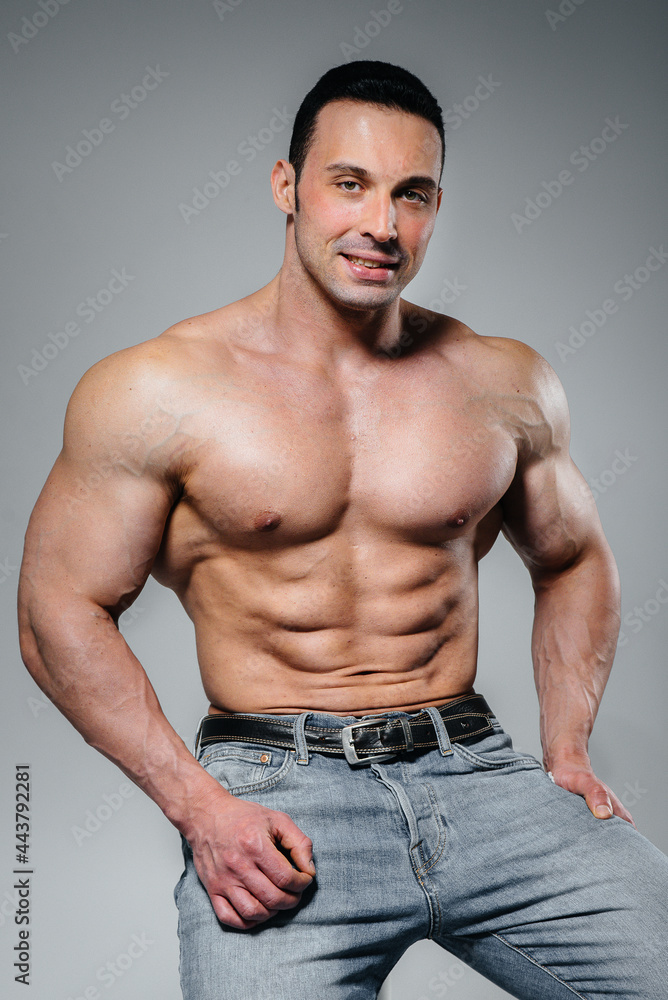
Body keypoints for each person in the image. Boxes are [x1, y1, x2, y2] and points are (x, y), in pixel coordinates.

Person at [18, 60, 668, 999]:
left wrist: (565, 748)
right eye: (350, 184)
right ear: (287, 186)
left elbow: (573, 558)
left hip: (478, 769)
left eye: (414, 194)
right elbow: (56, 610)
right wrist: (199, 809)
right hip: (276, 795)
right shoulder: (156, 389)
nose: (382, 226)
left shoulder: (501, 380)